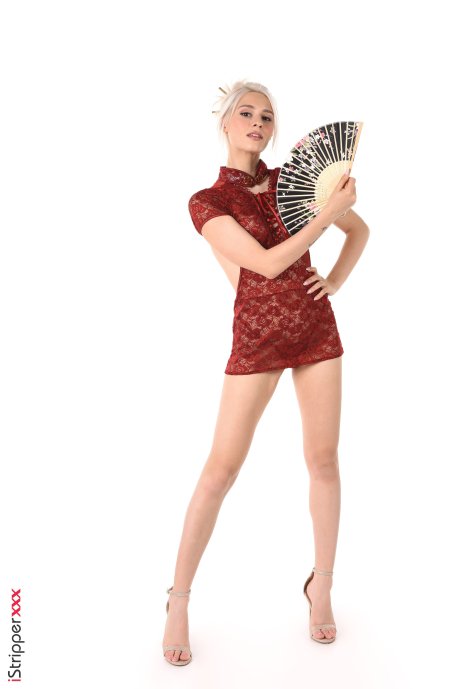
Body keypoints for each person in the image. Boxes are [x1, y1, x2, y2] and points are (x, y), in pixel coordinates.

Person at [162, 80, 369, 665]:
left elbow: (360, 231)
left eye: (268, 116)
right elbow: (268, 264)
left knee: (323, 460)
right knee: (220, 471)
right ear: (226, 123)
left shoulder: (294, 182)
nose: (258, 122)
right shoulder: (207, 201)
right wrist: (327, 217)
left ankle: (321, 586)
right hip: (257, 336)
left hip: (316, 329)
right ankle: (178, 599)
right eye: (247, 113)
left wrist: (334, 280)